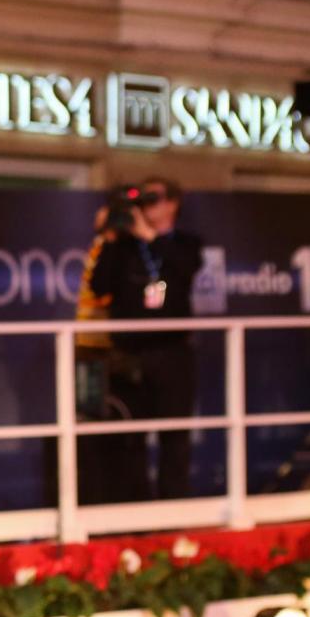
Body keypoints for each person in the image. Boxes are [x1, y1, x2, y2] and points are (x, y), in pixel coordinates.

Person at [88, 176, 203, 501]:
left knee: (174, 438)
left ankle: (173, 507)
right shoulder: (123, 246)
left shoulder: (186, 243)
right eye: (142, 200)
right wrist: (109, 238)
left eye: (153, 199)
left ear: (173, 204)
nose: (145, 207)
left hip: (172, 355)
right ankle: (135, 507)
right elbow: (99, 286)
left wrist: (149, 236)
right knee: (129, 436)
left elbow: (184, 271)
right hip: (128, 355)